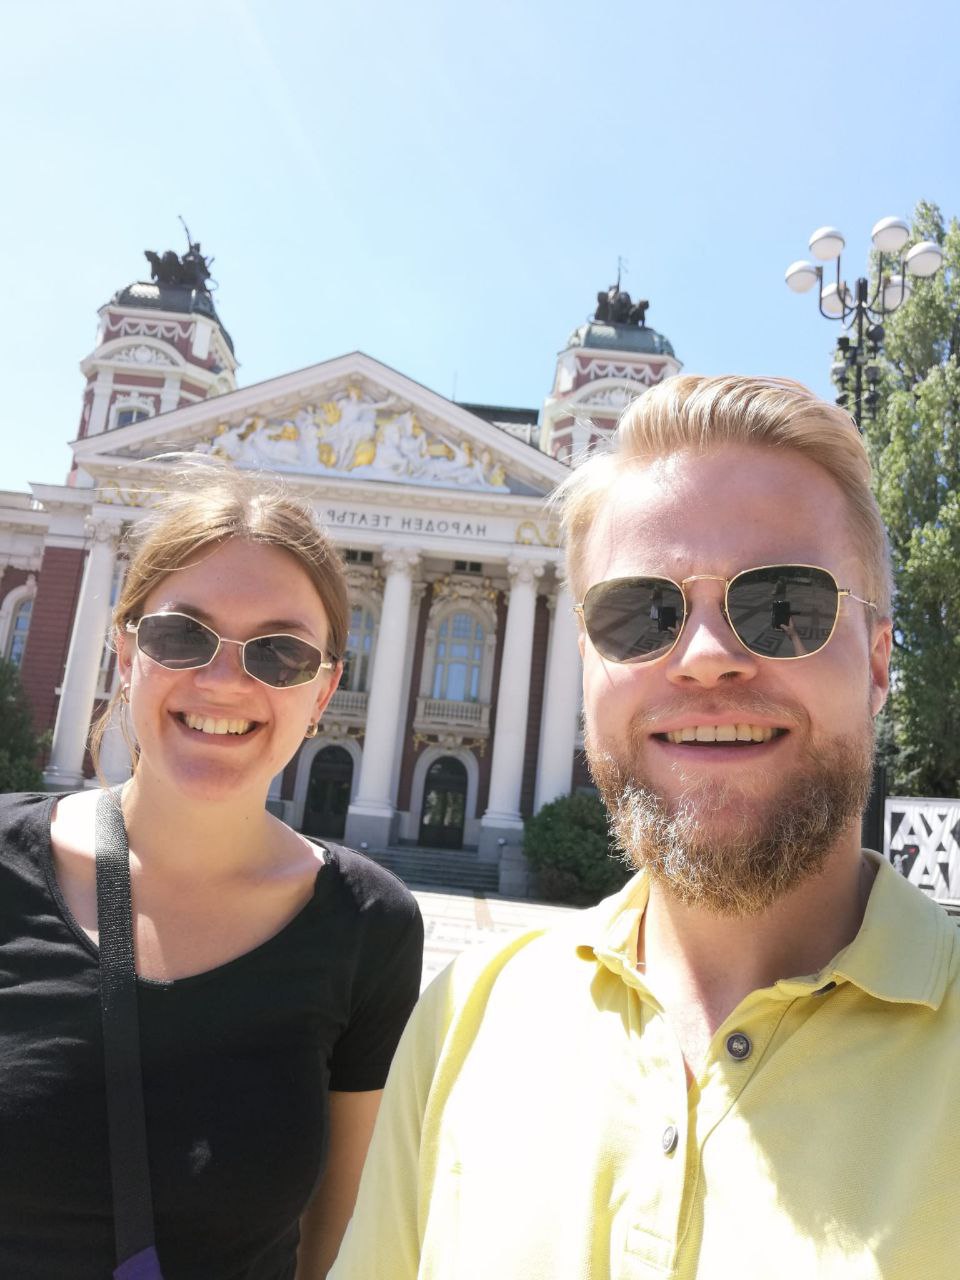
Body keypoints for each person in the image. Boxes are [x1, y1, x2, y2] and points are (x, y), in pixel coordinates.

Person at [329, 375, 960, 1279]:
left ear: (879, 661)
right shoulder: (465, 1024)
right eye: (640, 616)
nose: (705, 658)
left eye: (786, 606)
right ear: (587, 665)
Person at [0, 463, 423, 1279]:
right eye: (182, 636)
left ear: (325, 688)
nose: (226, 681)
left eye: (281, 653)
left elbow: (337, 1248)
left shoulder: (369, 927)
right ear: (126, 654)